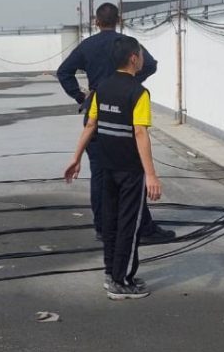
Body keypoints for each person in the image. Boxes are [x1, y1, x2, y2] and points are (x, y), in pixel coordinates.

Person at [56, 2, 174, 245]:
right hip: (124, 113)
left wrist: (80, 96)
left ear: (96, 22)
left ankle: (104, 227)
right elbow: (151, 64)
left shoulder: (88, 45)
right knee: (132, 172)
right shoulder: (127, 45)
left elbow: (63, 71)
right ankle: (142, 227)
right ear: (118, 20)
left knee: (101, 175)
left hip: (98, 111)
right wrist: (129, 82)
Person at [64, 36, 162, 300]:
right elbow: (140, 133)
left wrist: (76, 157)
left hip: (107, 167)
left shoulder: (101, 88)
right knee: (129, 224)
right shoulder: (139, 93)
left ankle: (113, 273)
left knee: (111, 222)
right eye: (141, 54)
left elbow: (90, 125)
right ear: (134, 58)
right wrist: (151, 175)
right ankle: (121, 282)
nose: (143, 59)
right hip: (130, 171)